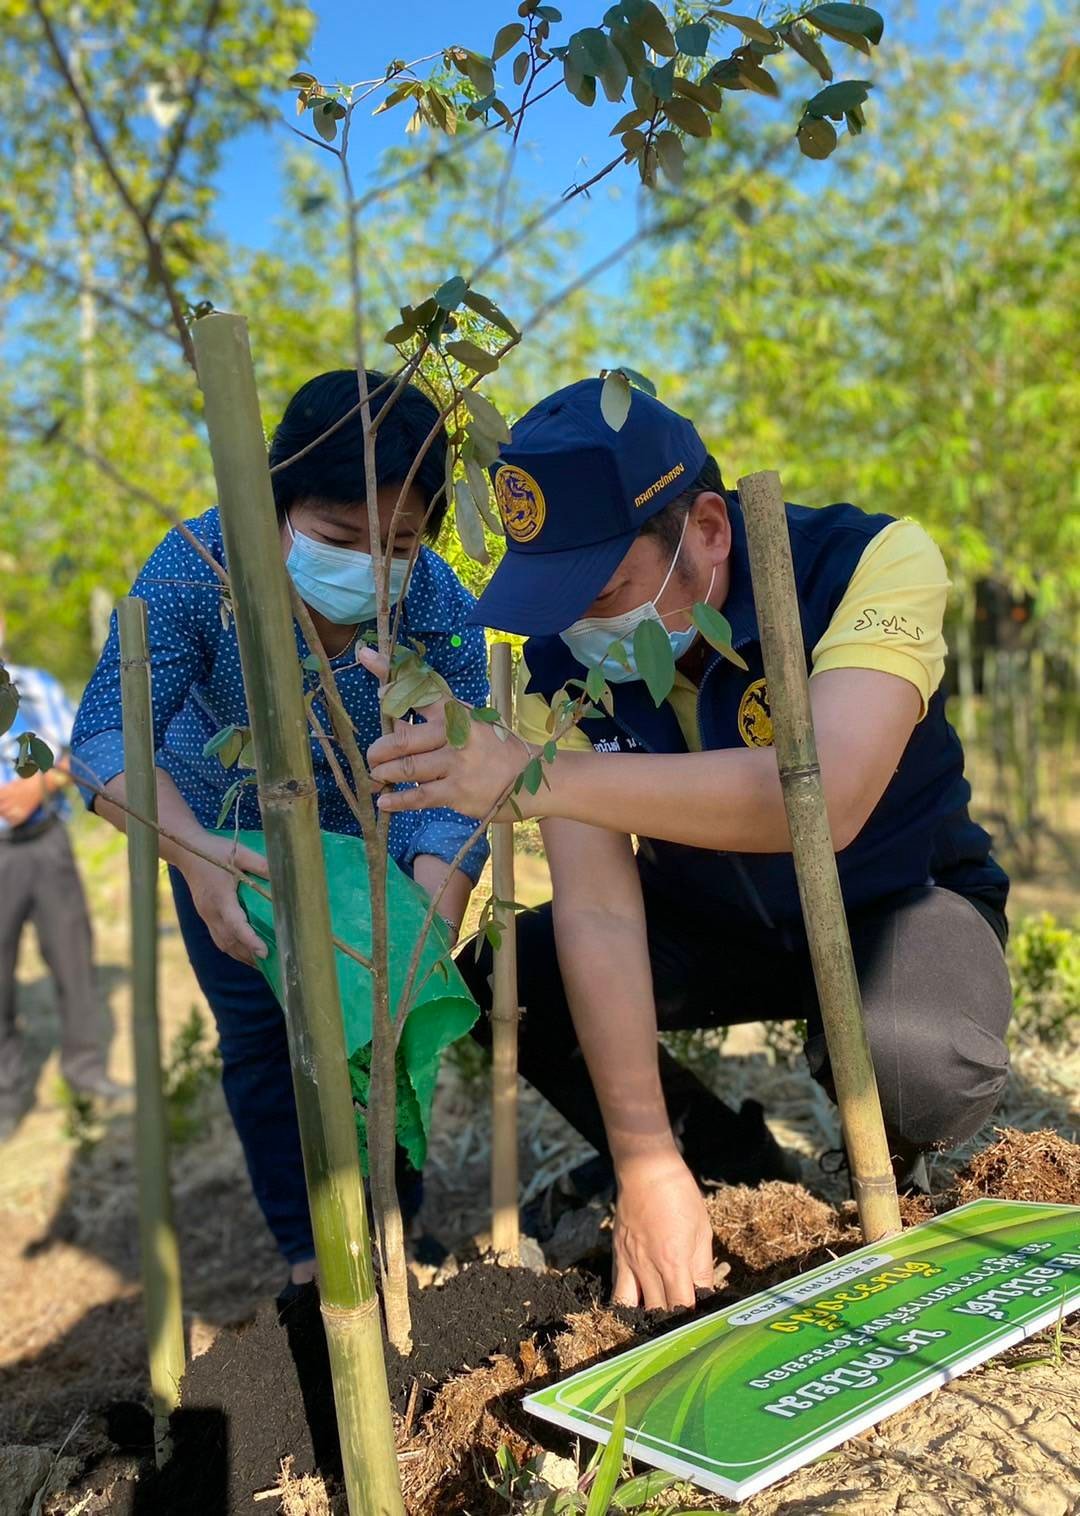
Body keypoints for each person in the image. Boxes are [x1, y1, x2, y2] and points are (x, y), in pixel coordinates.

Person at [361, 377, 1013, 1312]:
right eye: (559, 603)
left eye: (611, 590)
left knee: (917, 1062)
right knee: (521, 972)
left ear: (707, 527)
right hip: (710, 927)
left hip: (896, 904)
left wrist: (532, 777)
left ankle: (901, 1161)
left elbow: (821, 798)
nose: (585, 630)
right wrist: (645, 1159)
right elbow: (593, 902)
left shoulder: (866, 564)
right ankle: (726, 1171)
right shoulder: (564, 665)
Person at [72, 370, 489, 1285]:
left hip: (375, 845)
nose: (373, 565)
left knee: (382, 1038)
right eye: (340, 538)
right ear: (277, 509)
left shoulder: (436, 604)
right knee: (263, 1043)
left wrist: (423, 931)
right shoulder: (197, 566)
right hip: (219, 835)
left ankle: (394, 1237)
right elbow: (103, 737)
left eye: (402, 541)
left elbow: (464, 780)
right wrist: (197, 862)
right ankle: (308, 1255)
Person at [0, 621, 123, 1139]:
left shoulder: (36, 686)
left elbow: (77, 752)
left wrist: (37, 787)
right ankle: (7, 1099)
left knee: (73, 960)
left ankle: (87, 1073)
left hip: (47, 843)